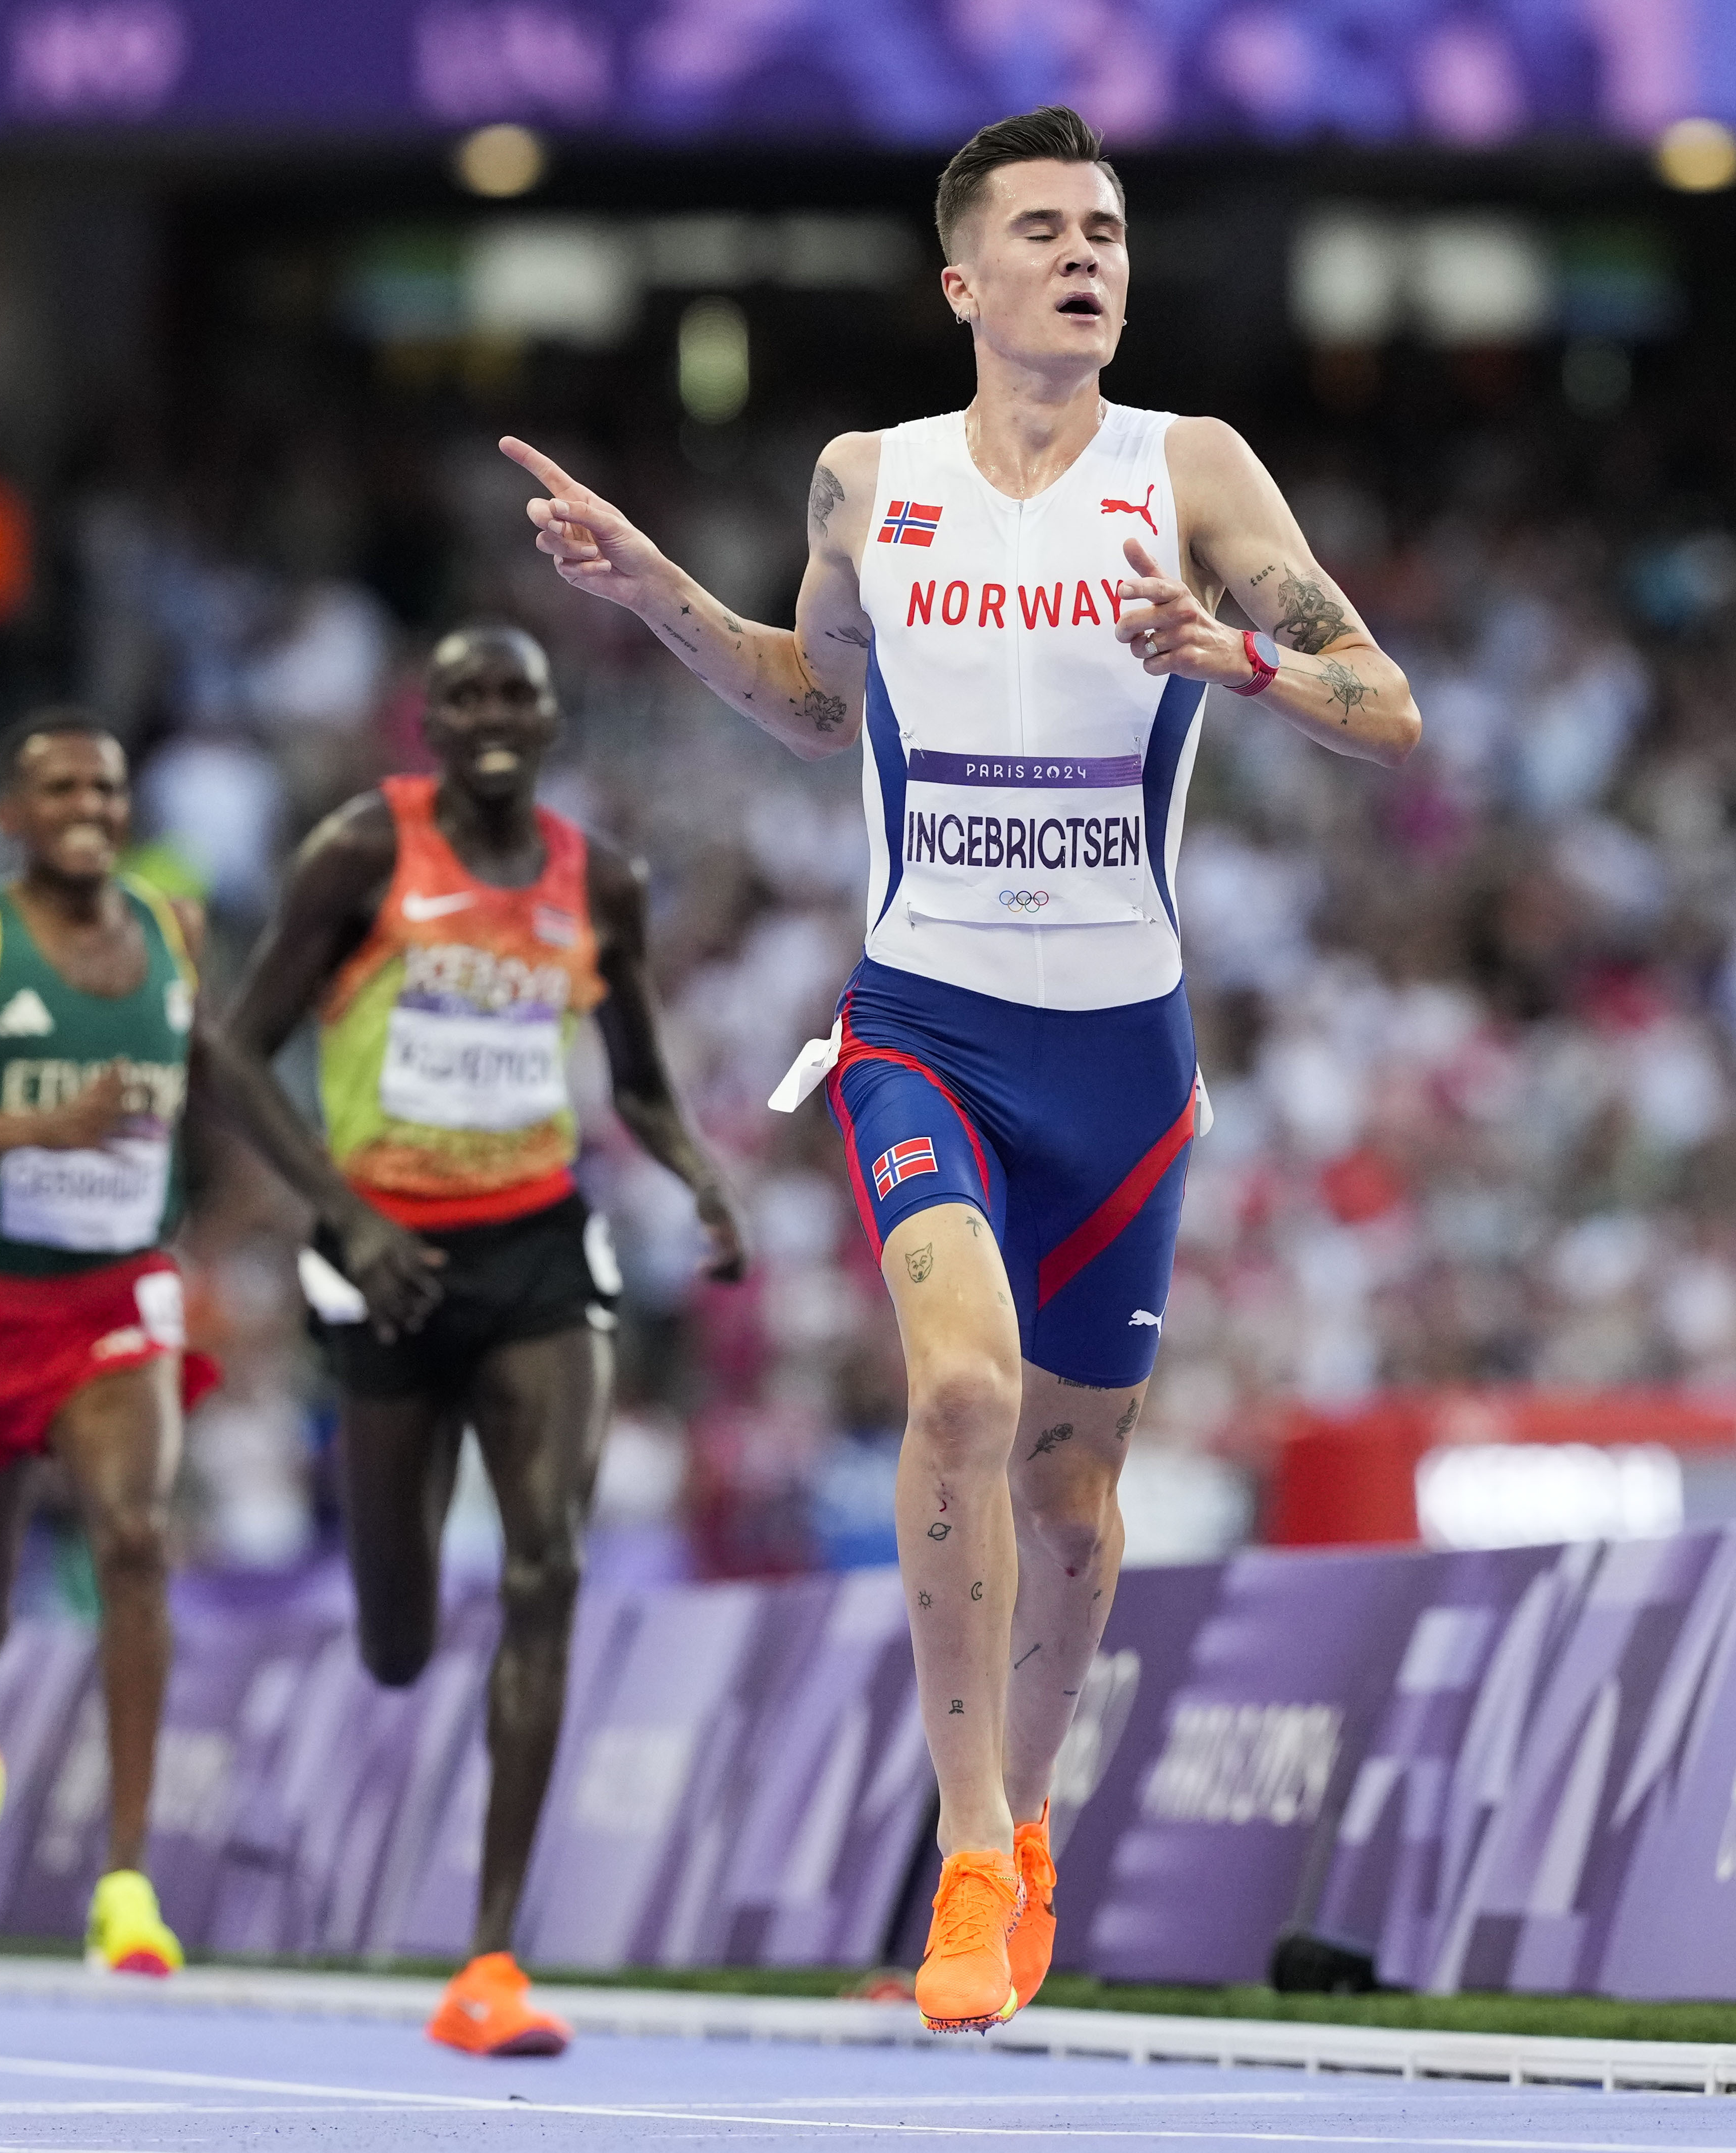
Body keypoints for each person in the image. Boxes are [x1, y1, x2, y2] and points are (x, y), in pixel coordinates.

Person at [501, 104, 1420, 2031]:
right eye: (1047, 229)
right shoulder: (871, 479)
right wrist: (655, 590)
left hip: (1125, 1063)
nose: (1089, 255)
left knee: (1078, 1494)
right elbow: (812, 700)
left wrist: (1229, 662)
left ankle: (1035, 1827)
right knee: (965, 1398)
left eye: (1109, 230)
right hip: (924, 1024)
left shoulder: (1193, 471)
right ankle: (971, 1844)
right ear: (964, 281)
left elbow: (1384, 712)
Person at [218, 623, 747, 2057]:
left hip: (535, 1249)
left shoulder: (602, 886)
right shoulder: (358, 853)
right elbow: (227, 1045)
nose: (494, 715)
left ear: (554, 717)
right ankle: (395, 1635)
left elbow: (635, 1085)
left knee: (547, 1565)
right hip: (384, 1258)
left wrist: (696, 1174)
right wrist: (344, 1217)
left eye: (519, 693)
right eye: (465, 695)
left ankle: (493, 1959)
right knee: (396, 1638)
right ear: (429, 723)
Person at [0, 712, 435, 1980]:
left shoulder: (169, 931)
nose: (85, 806)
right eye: (56, 786)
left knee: (133, 1535)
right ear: (13, 813)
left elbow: (213, 1075)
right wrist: (34, 1134)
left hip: (121, 1298)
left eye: (105, 788)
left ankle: (125, 1880)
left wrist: (329, 1205)